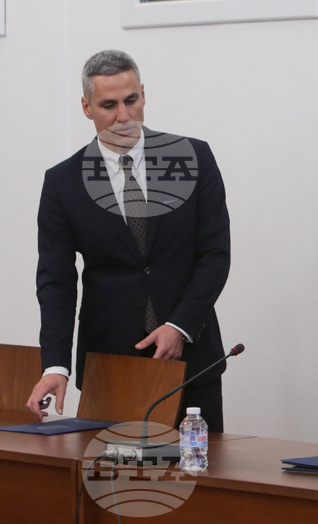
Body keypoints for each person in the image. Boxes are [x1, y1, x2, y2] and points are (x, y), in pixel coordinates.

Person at [26, 50, 231, 430]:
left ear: (143, 95)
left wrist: (179, 326)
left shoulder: (192, 157)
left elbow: (215, 253)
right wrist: (56, 366)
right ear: (87, 107)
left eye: (131, 100)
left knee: (199, 466)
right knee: (113, 469)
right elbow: (56, 281)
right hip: (110, 363)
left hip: (191, 358)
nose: (123, 116)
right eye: (109, 105)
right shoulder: (62, 182)